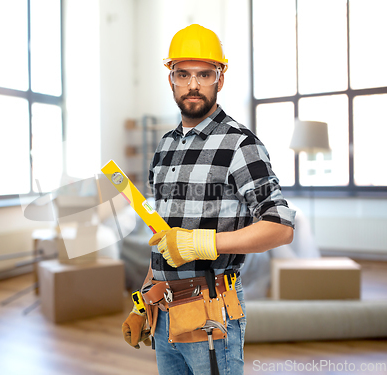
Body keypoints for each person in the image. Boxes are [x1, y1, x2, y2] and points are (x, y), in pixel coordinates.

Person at [122, 24, 296, 375]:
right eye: (183, 74)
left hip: (212, 315)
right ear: (170, 79)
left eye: (205, 74)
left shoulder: (241, 145)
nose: (193, 84)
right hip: (164, 314)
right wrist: (144, 302)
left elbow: (280, 227)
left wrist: (201, 243)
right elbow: (163, 238)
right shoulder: (165, 148)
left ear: (220, 78)